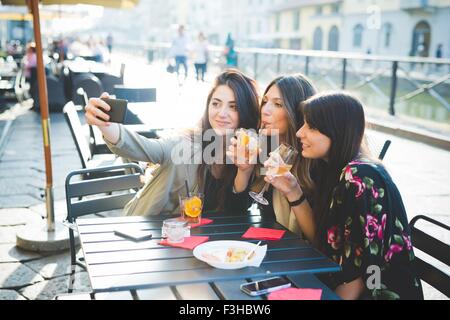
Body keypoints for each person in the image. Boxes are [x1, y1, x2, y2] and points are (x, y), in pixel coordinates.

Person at [264, 91, 423, 300]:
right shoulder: (337, 170)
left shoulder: (359, 177)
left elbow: (357, 278)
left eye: (311, 127)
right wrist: (293, 191)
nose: (300, 133)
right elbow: (324, 243)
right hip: (337, 282)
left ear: (337, 131)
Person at [84, 69, 260, 216]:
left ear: (246, 112)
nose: (221, 113)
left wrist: (245, 171)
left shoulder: (250, 150)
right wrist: (106, 126)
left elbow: (237, 210)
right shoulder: (185, 145)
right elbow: (146, 148)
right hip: (146, 233)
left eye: (233, 107)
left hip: (203, 243)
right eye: (216, 104)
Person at [227, 74, 317, 235]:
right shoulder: (265, 150)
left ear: (297, 111)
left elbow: (319, 241)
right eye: (265, 101)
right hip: (271, 249)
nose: (265, 110)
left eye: (277, 104)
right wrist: (244, 171)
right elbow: (235, 212)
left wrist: (293, 193)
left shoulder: (314, 161)